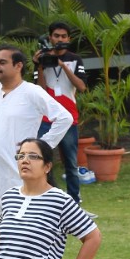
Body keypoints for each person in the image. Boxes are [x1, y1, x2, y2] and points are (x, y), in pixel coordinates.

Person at [0, 45, 72, 219]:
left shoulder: (32, 92)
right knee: (1, 233)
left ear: (18, 66)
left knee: (23, 231)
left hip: (20, 176)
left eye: (2, 62)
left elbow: (64, 118)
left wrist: (41, 147)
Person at [34, 21, 88, 204]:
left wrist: (62, 65)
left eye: (63, 36)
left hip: (69, 117)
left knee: (71, 163)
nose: (60, 39)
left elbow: (82, 87)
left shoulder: (75, 59)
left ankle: (74, 202)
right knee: (41, 160)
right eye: (56, 36)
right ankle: (47, 199)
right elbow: (39, 90)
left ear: (69, 39)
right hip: (46, 118)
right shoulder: (43, 58)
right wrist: (40, 65)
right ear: (50, 37)